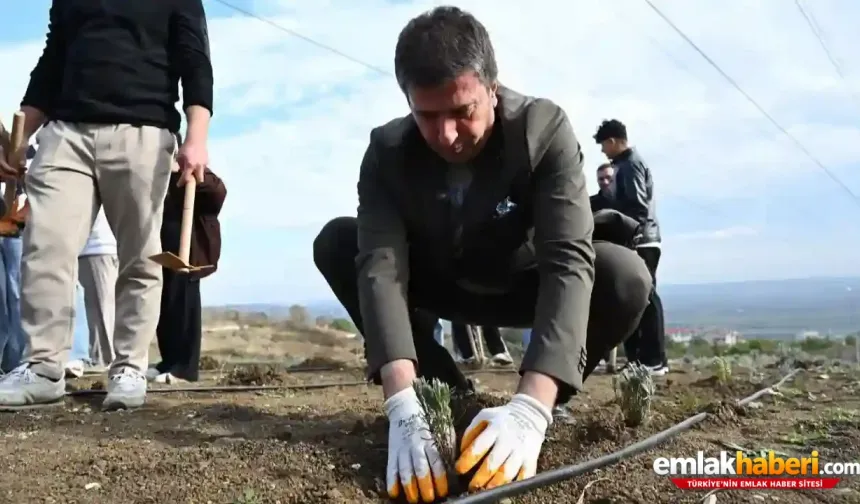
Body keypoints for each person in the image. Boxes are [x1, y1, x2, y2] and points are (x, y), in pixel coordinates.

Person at [312, 7, 652, 501]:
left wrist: (531, 407)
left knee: (624, 276)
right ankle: (442, 394)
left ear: (492, 88)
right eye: (427, 116)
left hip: (521, 283)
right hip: (441, 282)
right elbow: (382, 271)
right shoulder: (387, 152)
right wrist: (402, 404)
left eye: (462, 111)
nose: (447, 135)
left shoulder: (542, 131)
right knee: (339, 243)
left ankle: (538, 404)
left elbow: (567, 263)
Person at [0, 0, 213, 410]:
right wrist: (23, 133)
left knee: (141, 257)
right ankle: (44, 368)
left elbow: (196, 60)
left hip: (144, 133)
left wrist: (196, 138)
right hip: (66, 134)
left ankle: (129, 366)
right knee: (46, 246)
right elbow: (52, 60)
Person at [593, 119, 667, 375]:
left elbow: (637, 207)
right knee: (632, 301)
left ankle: (654, 360)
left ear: (612, 141)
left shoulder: (631, 165)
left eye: (604, 145)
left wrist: (624, 230)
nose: (603, 151)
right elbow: (609, 199)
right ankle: (637, 359)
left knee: (646, 297)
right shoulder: (622, 166)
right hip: (636, 238)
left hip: (642, 239)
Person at [148, 158, 225, 384]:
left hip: (187, 251)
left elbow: (217, 194)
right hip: (159, 249)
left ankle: (185, 368)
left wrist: (181, 169)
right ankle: (169, 361)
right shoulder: (153, 174)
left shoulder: (189, 170)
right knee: (164, 307)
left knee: (184, 306)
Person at [77, 209, 118, 371]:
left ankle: (104, 359)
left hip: (98, 248)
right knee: (93, 310)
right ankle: (100, 358)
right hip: (90, 249)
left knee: (100, 309)